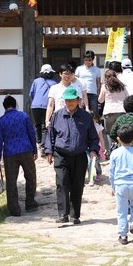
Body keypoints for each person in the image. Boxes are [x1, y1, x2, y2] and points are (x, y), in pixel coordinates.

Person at [44, 87, 100, 225]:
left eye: (72, 100)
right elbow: (51, 135)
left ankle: (75, 215)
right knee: (62, 183)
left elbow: (93, 137)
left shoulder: (86, 117)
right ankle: (63, 214)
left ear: (78, 100)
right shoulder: (57, 115)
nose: (69, 103)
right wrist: (49, 151)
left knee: (77, 185)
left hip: (80, 155)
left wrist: (93, 150)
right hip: (61, 155)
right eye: (67, 100)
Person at [0, 95, 39, 216]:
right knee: (31, 177)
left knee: (11, 181)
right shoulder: (23, 116)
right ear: (15, 105)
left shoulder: (1, 121)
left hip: (10, 153)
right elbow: (31, 133)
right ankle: (30, 203)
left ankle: (14, 209)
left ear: (4, 107)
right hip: (26, 150)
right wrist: (35, 150)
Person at [98, 69, 129, 153]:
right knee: (121, 131)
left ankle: (110, 151)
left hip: (109, 112)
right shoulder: (122, 86)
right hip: (122, 111)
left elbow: (100, 100)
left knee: (109, 133)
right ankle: (122, 149)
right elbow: (127, 98)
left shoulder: (105, 86)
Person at [29, 64, 57, 151]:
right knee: (45, 125)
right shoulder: (54, 83)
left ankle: (38, 142)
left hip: (35, 105)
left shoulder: (36, 81)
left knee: (37, 124)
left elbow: (31, 94)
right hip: (46, 106)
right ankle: (43, 145)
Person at [45, 64, 74, 128]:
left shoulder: (76, 88)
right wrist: (47, 120)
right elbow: (50, 105)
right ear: (60, 74)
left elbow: (79, 104)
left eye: (69, 73)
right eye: (65, 73)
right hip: (58, 117)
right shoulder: (54, 88)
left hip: (73, 118)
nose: (67, 76)